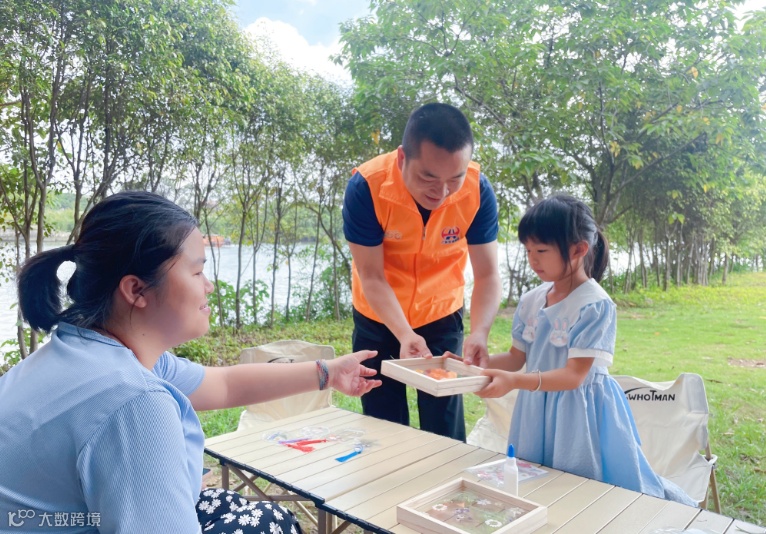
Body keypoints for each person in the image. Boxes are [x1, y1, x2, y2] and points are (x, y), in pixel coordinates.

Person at [0, 191, 382, 533]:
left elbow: (224, 384)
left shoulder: (90, 351)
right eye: (197, 271)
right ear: (136, 289)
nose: (209, 285)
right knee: (267, 525)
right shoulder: (133, 400)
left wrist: (328, 373)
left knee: (260, 515)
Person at [476, 194, 695, 505]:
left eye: (541, 251)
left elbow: (574, 376)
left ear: (579, 249)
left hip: (579, 410)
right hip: (536, 407)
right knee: (535, 482)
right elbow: (516, 357)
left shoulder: (594, 305)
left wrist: (514, 381)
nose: (533, 260)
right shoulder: (531, 301)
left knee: (579, 489)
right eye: (528, 251)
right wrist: (476, 365)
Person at [343, 103, 501, 441]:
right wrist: (404, 333)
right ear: (402, 158)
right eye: (428, 177)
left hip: (441, 314)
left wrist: (480, 332)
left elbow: (487, 274)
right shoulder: (367, 187)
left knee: (444, 424)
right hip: (377, 317)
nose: (441, 193)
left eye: (454, 179)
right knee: (384, 424)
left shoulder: (478, 190)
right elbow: (371, 276)